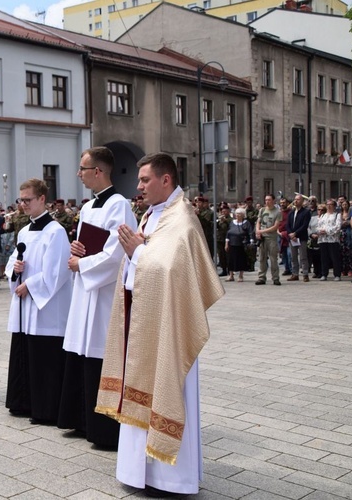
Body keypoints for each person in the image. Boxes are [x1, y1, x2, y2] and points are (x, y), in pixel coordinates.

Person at [96, 153, 224, 497]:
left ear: (166, 180)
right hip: (143, 319)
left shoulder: (181, 219)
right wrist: (136, 254)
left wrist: (139, 253)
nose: (138, 187)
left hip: (169, 326)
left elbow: (171, 270)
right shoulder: (152, 215)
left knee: (166, 386)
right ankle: (138, 472)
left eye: (145, 180)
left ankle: (171, 478)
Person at [57, 147, 135, 449]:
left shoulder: (119, 205)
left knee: (98, 355)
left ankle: (103, 429)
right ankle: (80, 419)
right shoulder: (89, 207)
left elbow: (116, 253)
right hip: (84, 291)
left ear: (98, 171)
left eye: (83, 168)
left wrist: (83, 264)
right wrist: (76, 251)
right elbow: (86, 244)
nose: (79, 174)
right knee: (80, 352)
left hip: (103, 294)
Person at [5, 178, 72, 425]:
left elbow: (57, 272)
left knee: (43, 357)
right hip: (25, 304)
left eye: (28, 200)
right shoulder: (24, 230)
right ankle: (23, 401)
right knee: (25, 351)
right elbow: (14, 260)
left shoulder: (55, 231)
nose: (23, 204)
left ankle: (45, 407)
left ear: (42, 199)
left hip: (46, 307)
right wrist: (15, 269)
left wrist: (30, 285)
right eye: (20, 200)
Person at [254, 194, 282, 286]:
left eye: (269, 200)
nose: (267, 202)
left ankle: (275, 278)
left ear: (273, 201)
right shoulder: (262, 210)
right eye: (266, 200)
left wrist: (262, 231)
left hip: (272, 238)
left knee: (273, 258)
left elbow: (275, 226)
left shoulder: (277, 212)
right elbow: (258, 222)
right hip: (262, 238)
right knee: (261, 258)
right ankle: (261, 277)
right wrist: (258, 231)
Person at [286, 194, 311, 282]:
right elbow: (287, 225)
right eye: (295, 199)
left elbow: (305, 225)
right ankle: (295, 274)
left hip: (301, 237)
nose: (296, 201)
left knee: (303, 256)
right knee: (293, 257)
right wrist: (290, 234)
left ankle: (305, 274)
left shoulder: (306, 212)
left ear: (302, 201)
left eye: (298, 199)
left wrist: (295, 233)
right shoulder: (291, 212)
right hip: (292, 238)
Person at [225, 208, 253, 282]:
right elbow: (228, 233)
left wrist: (251, 241)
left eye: (239, 214)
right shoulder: (232, 222)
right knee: (230, 260)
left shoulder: (246, 223)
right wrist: (226, 243)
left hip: (241, 244)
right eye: (236, 213)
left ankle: (241, 276)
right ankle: (231, 275)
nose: (237, 215)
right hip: (232, 244)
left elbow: (250, 232)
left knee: (241, 260)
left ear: (243, 215)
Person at [317, 199, 342, 281]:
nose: (329, 206)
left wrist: (327, 231)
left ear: (334, 206)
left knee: (334, 257)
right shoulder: (322, 215)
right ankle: (324, 274)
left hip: (333, 239)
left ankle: (337, 274)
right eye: (327, 204)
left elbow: (338, 227)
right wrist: (320, 231)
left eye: (331, 204)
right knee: (324, 257)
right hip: (323, 239)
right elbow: (318, 225)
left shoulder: (337, 215)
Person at [216, 203, 232, 277]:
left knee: (228, 256)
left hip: (227, 239)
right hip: (219, 239)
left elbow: (231, 225)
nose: (224, 213)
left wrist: (225, 220)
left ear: (228, 211)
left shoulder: (230, 219)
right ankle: (224, 269)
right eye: (222, 212)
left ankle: (229, 270)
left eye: (225, 211)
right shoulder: (219, 219)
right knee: (221, 255)